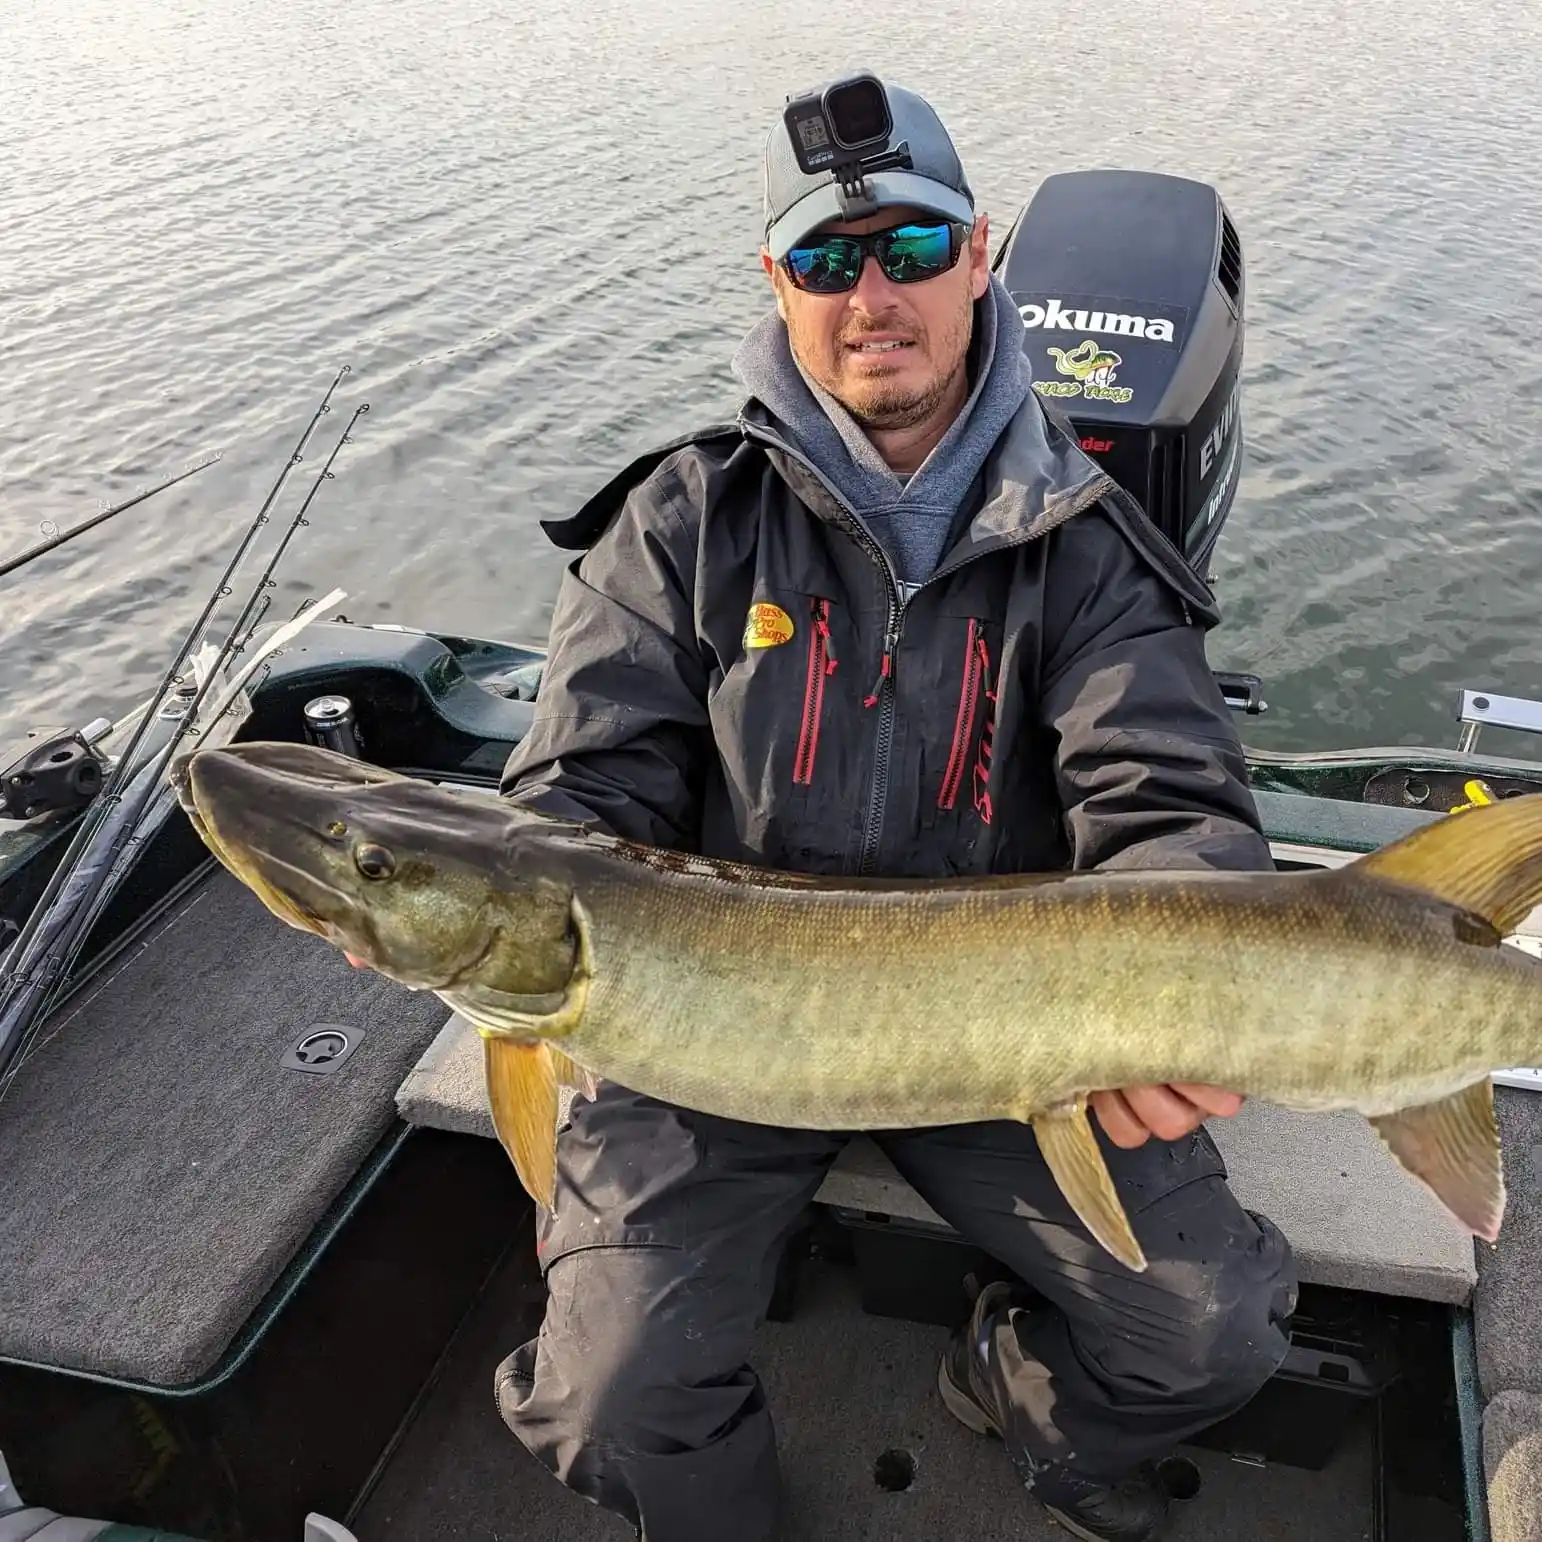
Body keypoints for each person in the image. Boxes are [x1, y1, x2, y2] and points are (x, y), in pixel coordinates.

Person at [492, 75, 1298, 1542]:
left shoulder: (1091, 546)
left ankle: (1016, 1388)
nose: (873, 295)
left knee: (1213, 1330)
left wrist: (1175, 994)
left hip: (1017, 1040)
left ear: (980, 257)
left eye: (912, 251)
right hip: (708, 1034)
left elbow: (1164, 795)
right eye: (827, 259)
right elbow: (571, 801)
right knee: (606, 1396)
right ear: (777, 283)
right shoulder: (678, 520)